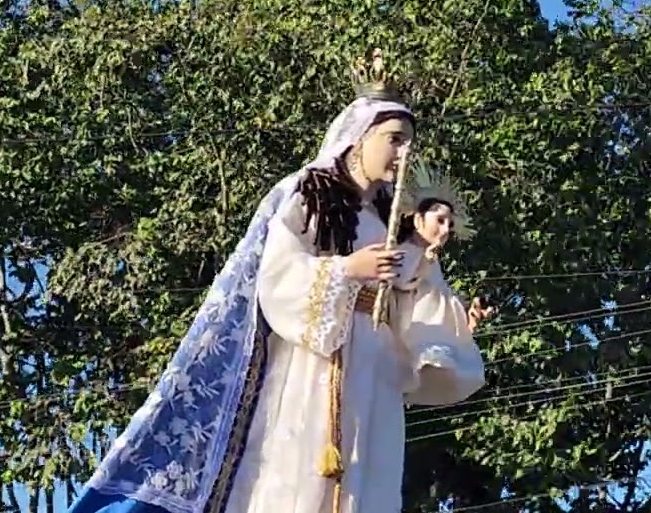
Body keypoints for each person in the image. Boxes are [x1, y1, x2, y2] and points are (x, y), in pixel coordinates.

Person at [71, 54, 492, 513]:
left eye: (408, 144)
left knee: (371, 482)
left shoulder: (393, 221)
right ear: (361, 136)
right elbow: (278, 277)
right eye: (394, 140)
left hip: (377, 372)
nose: (402, 155)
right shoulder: (311, 194)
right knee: (303, 477)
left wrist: (453, 328)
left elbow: (416, 296)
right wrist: (349, 270)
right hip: (316, 364)